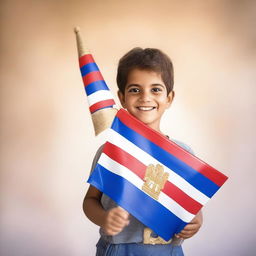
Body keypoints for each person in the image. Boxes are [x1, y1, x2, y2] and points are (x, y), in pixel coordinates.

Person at [83, 47, 203, 256]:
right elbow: (90, 200)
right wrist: (104, 218)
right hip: (120, 250)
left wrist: (197, 221)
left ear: (170, 98)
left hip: (169, 250)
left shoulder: (183, 153)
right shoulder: (111, 151)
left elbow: (192, 202)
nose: (145, 97)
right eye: (135, 90)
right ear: (122, 97)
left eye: (155, 89)